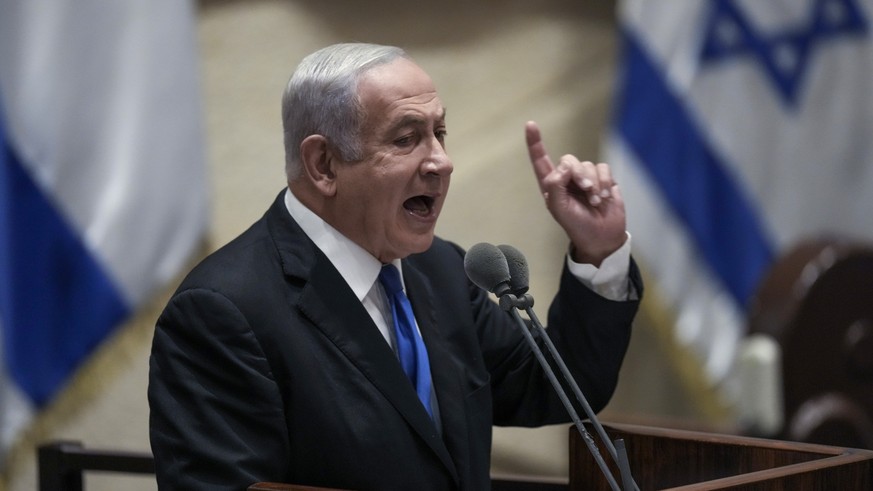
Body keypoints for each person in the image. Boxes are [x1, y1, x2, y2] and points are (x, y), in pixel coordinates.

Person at [148, 42, 642, 491]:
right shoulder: (222, 313)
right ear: (323, 164)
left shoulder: (440, 269)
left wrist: (599, 250)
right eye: (407, 139)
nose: (442, 162)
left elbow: (556, 387)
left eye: (440, 133)